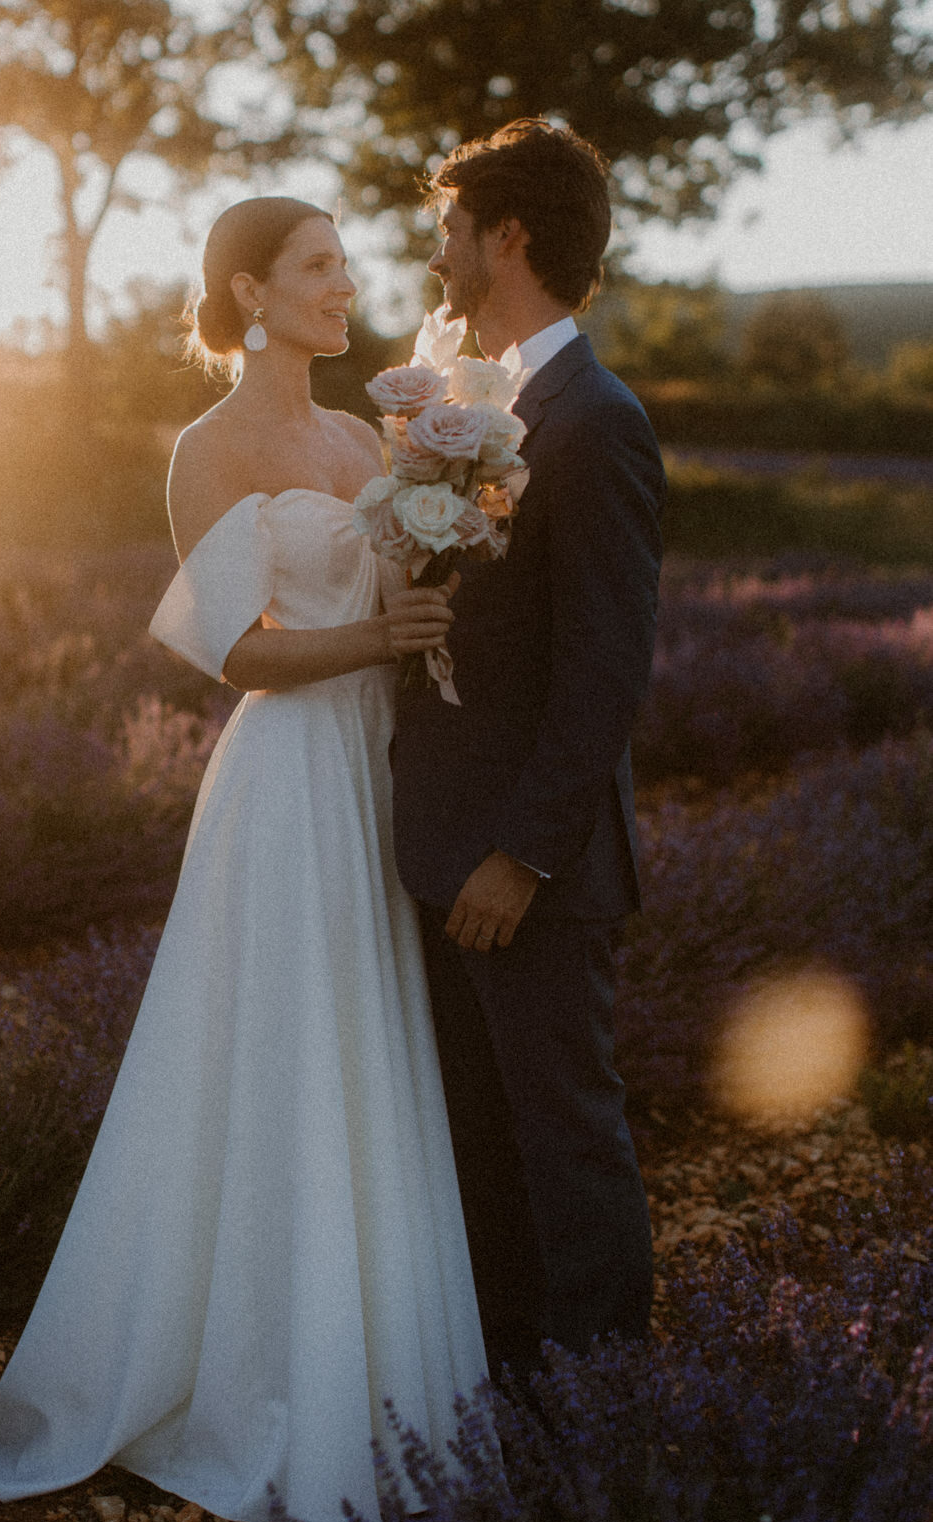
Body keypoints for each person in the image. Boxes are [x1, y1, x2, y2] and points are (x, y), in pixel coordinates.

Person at [0, 197, 488, 1522]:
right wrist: (381, 637)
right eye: (317, 266)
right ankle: (262, 1383)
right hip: (291, 779)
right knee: (288, 1055)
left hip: (382, 767)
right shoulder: (210, 449)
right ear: (250, 294)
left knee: (380, 1046)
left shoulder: (368, 435)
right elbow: (235, 652)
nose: (345, 283)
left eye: (343, 264)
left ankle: (374, 1369)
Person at [389, 121, 665, 1372]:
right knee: (479, 1151)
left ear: (507, 236)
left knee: (565, 1147)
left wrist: (522, 856)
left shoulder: (594, 421)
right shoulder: (474, 410)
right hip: (443, 852)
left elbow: (604, 668)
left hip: (526, 875)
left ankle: (601, 1423)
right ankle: (511, 1409)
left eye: (449, 229)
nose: (435, 253)